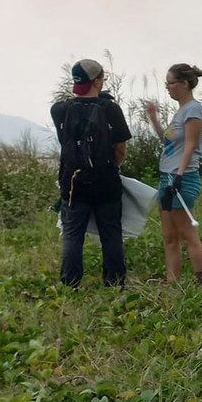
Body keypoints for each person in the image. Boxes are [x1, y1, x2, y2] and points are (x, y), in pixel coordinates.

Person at [51, 59, 131, 287]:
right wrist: (108, 167)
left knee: (73, 236)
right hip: (106, 183)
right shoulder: (111, 109)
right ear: (97, 81)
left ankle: (70, 284)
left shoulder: (59, 110)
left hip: (73, 183)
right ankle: (115, 283)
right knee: (111, 234)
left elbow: (65, 142)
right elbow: (120, 150)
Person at [144, 64, 202, 284]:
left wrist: (179, 176)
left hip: (182, 178)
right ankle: (172, 284)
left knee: (188, 235)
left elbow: (190, 145)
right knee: (169, 237)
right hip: (167, 177)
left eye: (170, 83)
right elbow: (168, 142)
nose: (168, 88)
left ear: (184, 84)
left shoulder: (193, 110)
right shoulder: (180, 112)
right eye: (167, 84)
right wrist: (154, 118)